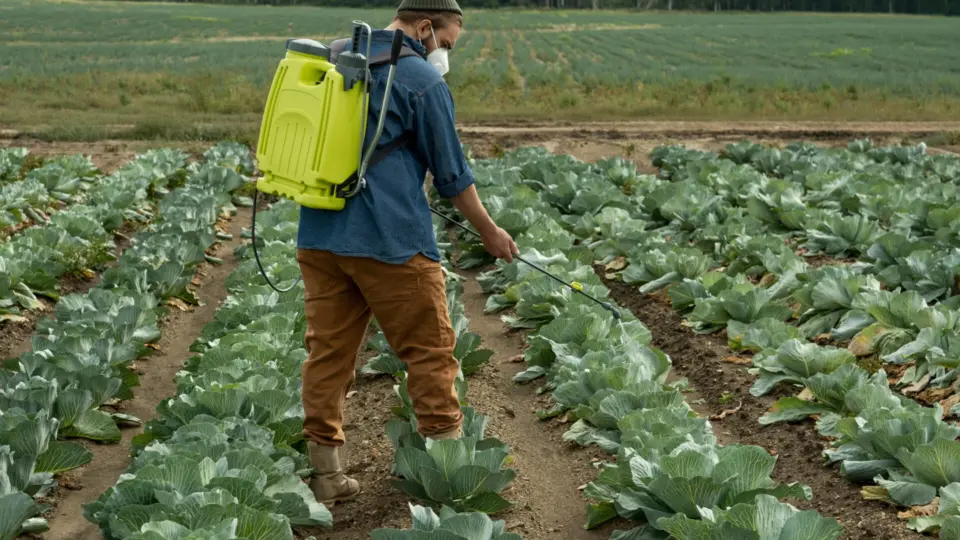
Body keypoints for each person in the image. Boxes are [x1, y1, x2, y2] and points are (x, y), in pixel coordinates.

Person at [296, 0, 519, 506]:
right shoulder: (421, 80)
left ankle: (327, 477)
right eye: (446, 42)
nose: (444, 52)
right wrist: (488, 230)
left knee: (328, 355)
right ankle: (449, 475)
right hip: (391, 243)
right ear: (424, 27)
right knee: (430, 352)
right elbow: (452, 176)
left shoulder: (336, 58)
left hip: (319, 238)